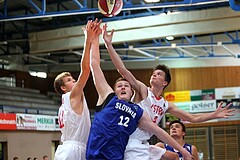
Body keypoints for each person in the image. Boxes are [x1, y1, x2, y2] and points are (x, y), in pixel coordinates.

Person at [102, 23, 235, 160]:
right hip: (130, 140)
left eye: (159, 74)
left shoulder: (165, 105)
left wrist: (214, 115)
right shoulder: (143, 90)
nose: (154, 75)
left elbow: (192, 118)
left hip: (144, 143)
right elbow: (123, 70)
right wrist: (109, 45)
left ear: (165, 82)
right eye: (153, 73)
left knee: (173, 157)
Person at [85, 23, 193, 160]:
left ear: (132, 92)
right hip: (96, 153)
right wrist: (94, 39)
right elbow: (94, 65)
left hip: (118, 155)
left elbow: (160, 132)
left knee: (172, 157)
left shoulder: (137, 111)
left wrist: (182, 151)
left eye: (126, 85)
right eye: (119, 86)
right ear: (114, 90)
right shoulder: (108, 97)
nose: (123, 87)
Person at [53, 19, 100, 160]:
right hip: (73, 150)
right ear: (63, 88)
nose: (74, 81)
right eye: (69, 80)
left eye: (73, 79)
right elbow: (85, 70)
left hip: (69, 149)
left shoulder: (64, 104)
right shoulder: (71, 96)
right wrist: (88, 40)